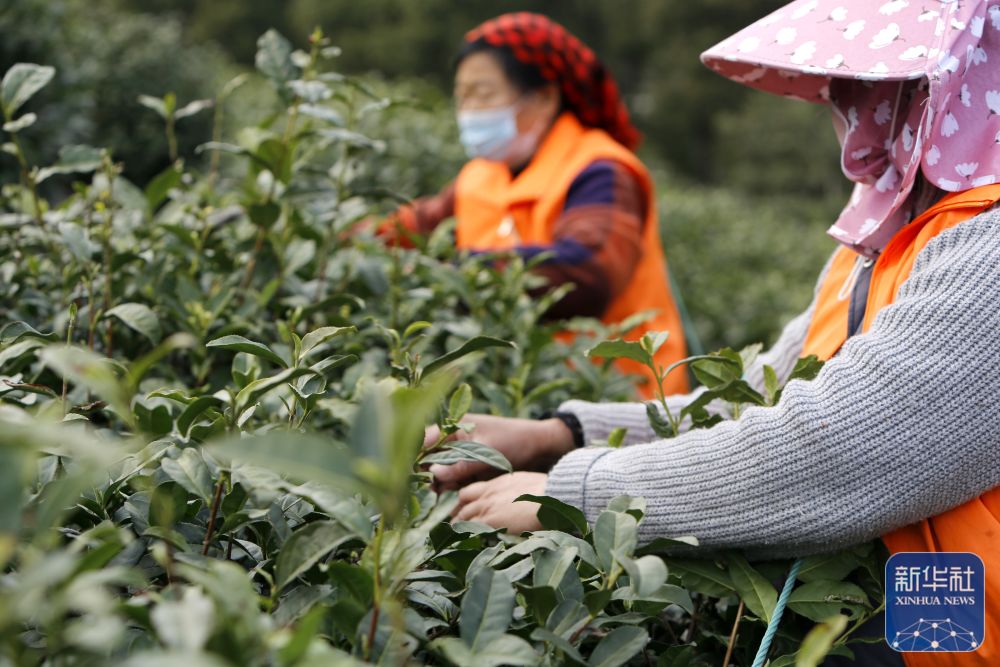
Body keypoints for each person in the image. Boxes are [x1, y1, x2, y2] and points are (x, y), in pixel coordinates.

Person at [429, 2, 1000, 666]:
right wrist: (561, 434)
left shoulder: (988, 247)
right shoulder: (888, 236)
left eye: (884, 83)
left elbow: (830, 453)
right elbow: (768, 397)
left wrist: (578, 493)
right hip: (901, 621)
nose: (847, 103)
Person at [382, 13, 690, 396]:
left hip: (620, 402)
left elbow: (589, 273)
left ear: (544, 97)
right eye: (461, 95)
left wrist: (457, 273)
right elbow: (410, 229)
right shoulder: (483, 173)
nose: (468, 109)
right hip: (523, 392)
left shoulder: (601, 170)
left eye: (483, 93)